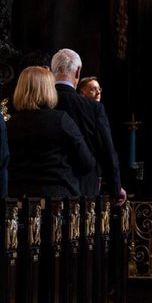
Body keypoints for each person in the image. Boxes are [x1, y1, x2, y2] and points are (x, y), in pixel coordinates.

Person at [6, 66, 95, 199]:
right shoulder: (61, 120)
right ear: (49, 89)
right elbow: (86, 162)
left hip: (18, 197)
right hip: (57, 197)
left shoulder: (10, 124)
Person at [52, 49, 124, 202]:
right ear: (77, 72)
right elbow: (107, 151)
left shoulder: (41, 103)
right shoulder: (93, 108)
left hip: (45, 191)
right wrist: (115, 188)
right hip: (84, 190)